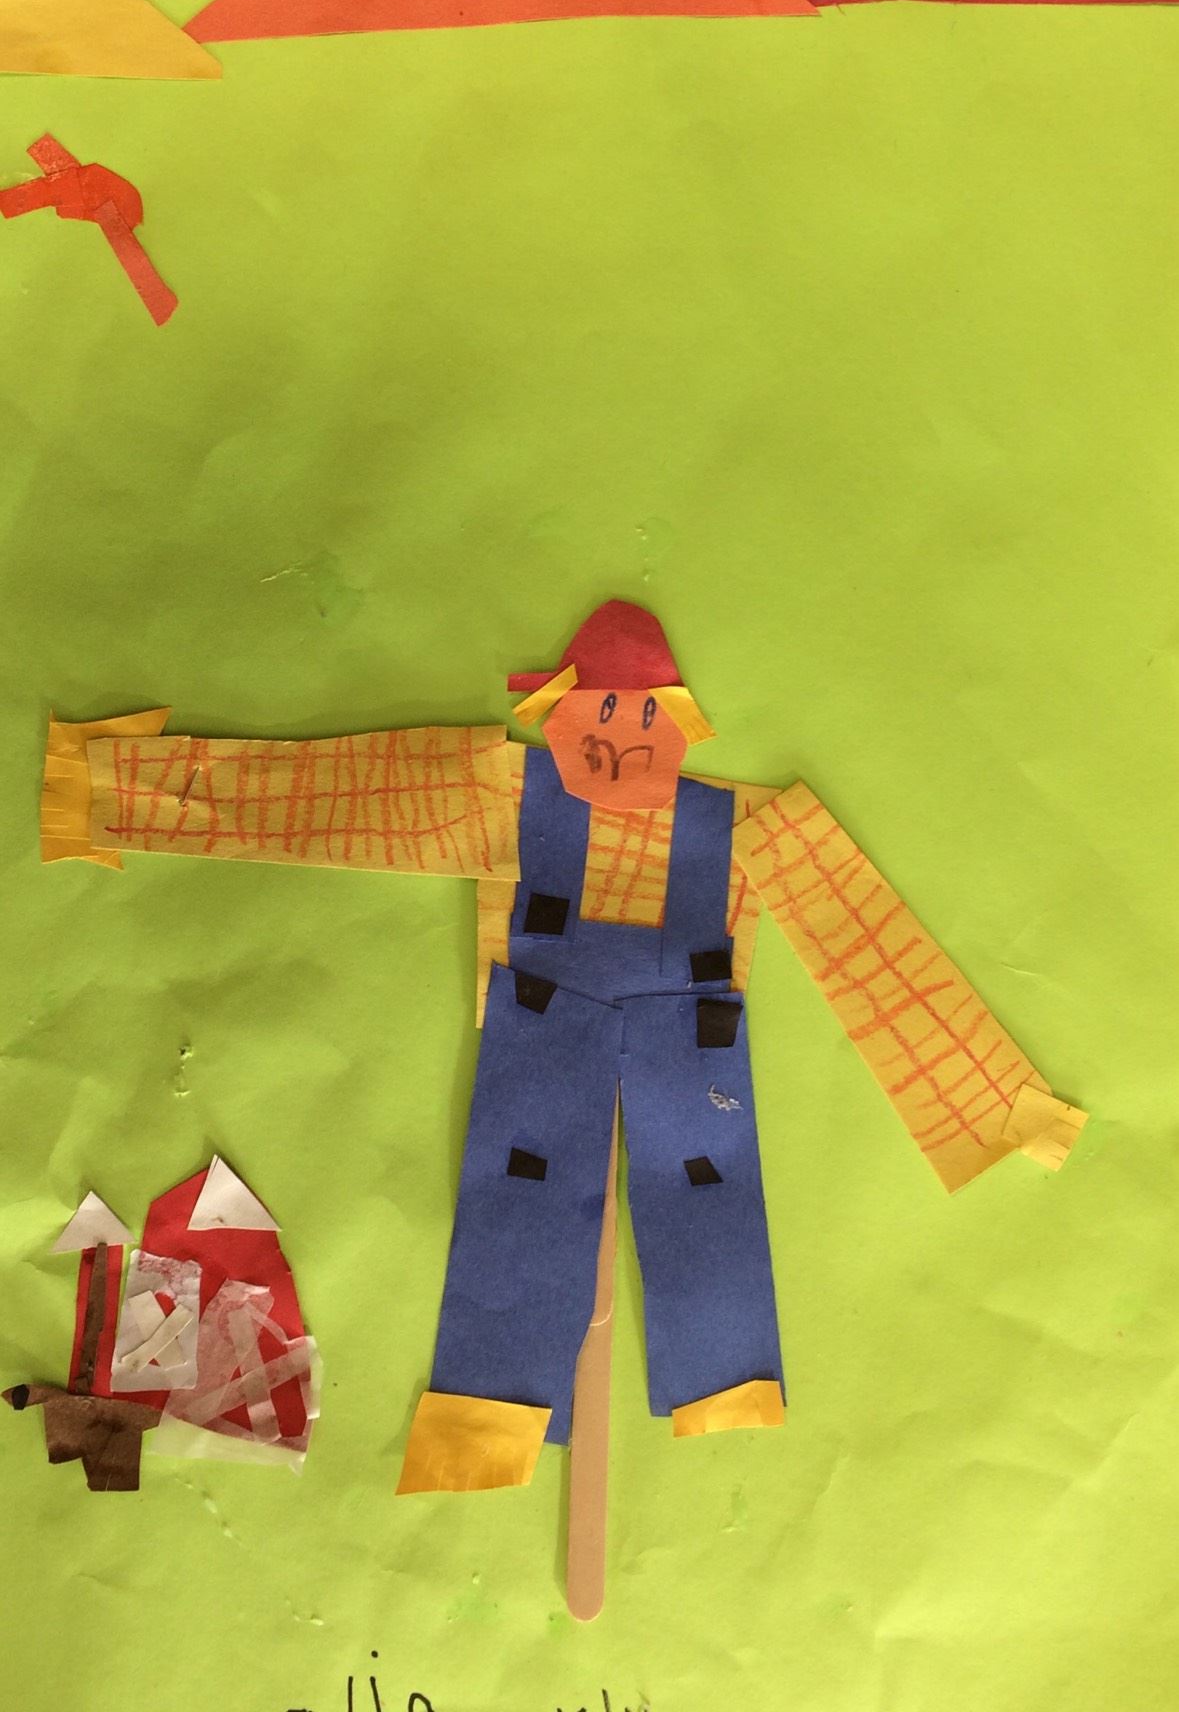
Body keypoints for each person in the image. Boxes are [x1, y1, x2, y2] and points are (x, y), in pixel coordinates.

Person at [42, 600, 1085, 1493]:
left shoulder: (747, 829)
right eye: (603, 712)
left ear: (679, 723)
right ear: (559, 713)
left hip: (687, 1045)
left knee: (706, 1205)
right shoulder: (505, 796)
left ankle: (723, 1388)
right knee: (520, 1210)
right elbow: (346, 799)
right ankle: (486, 1427)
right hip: (544, 1032)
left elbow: (867, 944)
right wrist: (112, 786)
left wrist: (997, 1104)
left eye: (644, 715)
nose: (621, 738)